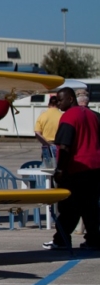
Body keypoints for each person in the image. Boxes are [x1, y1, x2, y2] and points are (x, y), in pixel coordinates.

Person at [43, 87, 100, 250]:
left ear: (70, 99)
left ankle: (61, 239)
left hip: (77, 168)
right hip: (95, 167)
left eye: (60, 100)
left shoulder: (69, 116)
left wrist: (60, 170)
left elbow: (65, 146)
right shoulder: (92, 115)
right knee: (90, 207)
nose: (58, 103)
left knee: (69, 207)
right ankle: (94, 240)